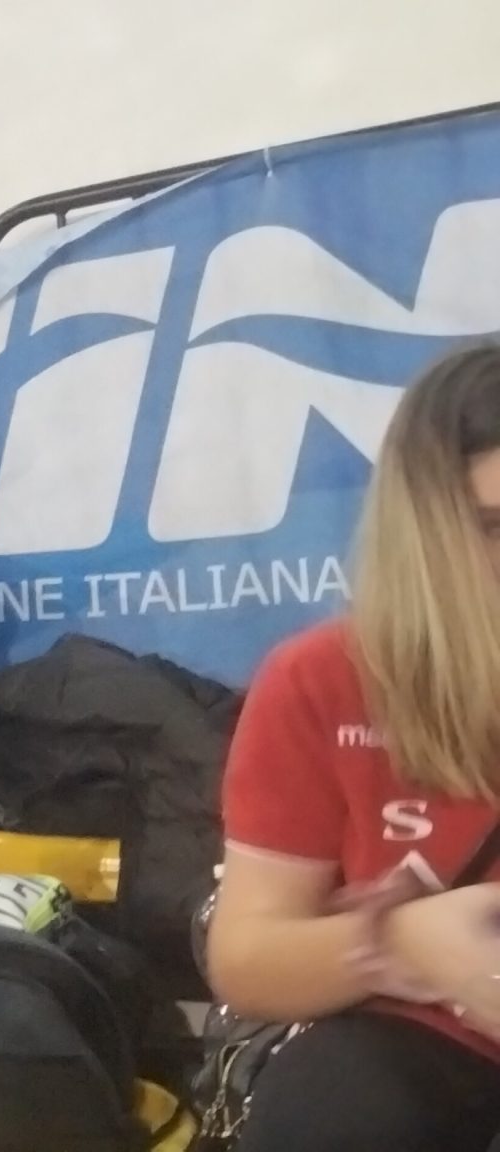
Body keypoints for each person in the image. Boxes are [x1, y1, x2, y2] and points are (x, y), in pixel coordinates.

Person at [209, 343, 500, 1152]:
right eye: (494, 528)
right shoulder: (324, 678)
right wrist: (407, 943)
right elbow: (249, 957)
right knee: (335, 1112)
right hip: (428, 1038)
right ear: (429, 535)